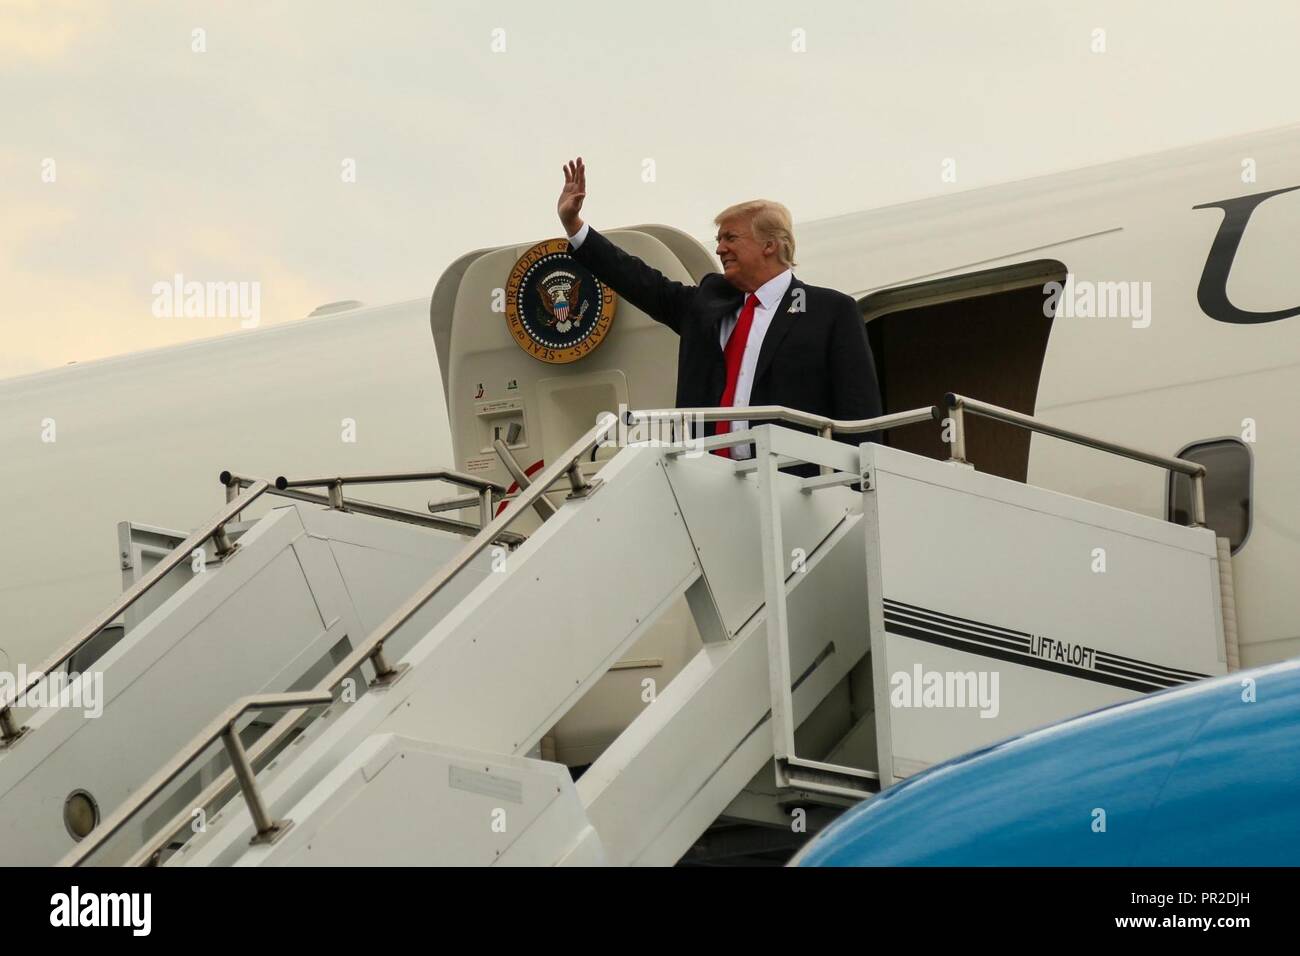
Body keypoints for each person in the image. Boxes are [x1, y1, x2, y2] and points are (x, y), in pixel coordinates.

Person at [557, 157, 882, 474]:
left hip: (794, 486)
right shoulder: (708, 302)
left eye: (731, 238)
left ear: (769, 245)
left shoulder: (830, 311)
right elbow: (641, 282)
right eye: (719, 240)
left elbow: (860, 415)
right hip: (707, 482)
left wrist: (856, 492)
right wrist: (575, 227)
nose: (719, 249)